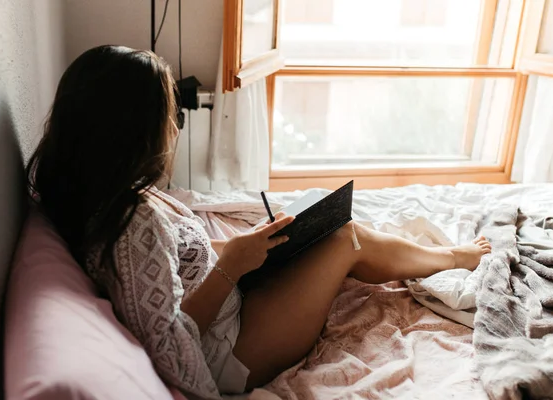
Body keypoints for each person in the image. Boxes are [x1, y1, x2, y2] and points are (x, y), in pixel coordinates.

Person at [26, 45, 491, 399]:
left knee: (328, 228)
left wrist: (239, 257)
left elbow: (169, 280)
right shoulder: (130, 224)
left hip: (234, 300)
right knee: (347, 237)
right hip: (230, 351)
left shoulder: (103, 196)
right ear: (132, 132)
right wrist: (231, 266)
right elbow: (170, 341)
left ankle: (445, 256)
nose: (174, 128)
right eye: (169, 115)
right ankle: (456, 257)